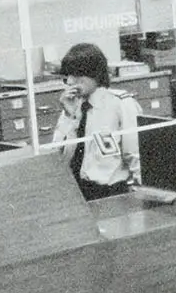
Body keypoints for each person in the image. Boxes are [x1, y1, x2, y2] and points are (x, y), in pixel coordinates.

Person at [51, 42, 140, 201]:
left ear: (94, 74)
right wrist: (68, 116)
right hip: (77, 189)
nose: (70, 82)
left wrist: (144, 193)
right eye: (67, 77)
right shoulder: (74, 104)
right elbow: (57, 156)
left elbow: (135, 154)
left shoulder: (120, 105)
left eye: (76, 75)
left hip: (110, 191)